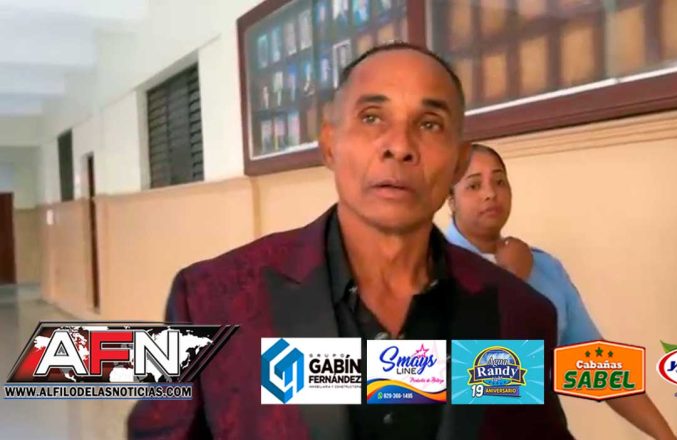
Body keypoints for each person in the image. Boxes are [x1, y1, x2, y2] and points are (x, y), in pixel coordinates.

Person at [128, 43, 573, 439]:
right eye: (372, 117)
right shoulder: (206, 302)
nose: (399, 146)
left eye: (430, 124)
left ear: (458, 163)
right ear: (330, 144)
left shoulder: (520, 314)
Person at [445, 143, 677, 440]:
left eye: (500, 181)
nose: (490, 193)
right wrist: (513, 280)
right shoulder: (425, 269)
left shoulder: (545, 267)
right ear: (450, 200)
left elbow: (593, 363)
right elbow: (411, 381)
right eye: (474, 185)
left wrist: (668, 437)